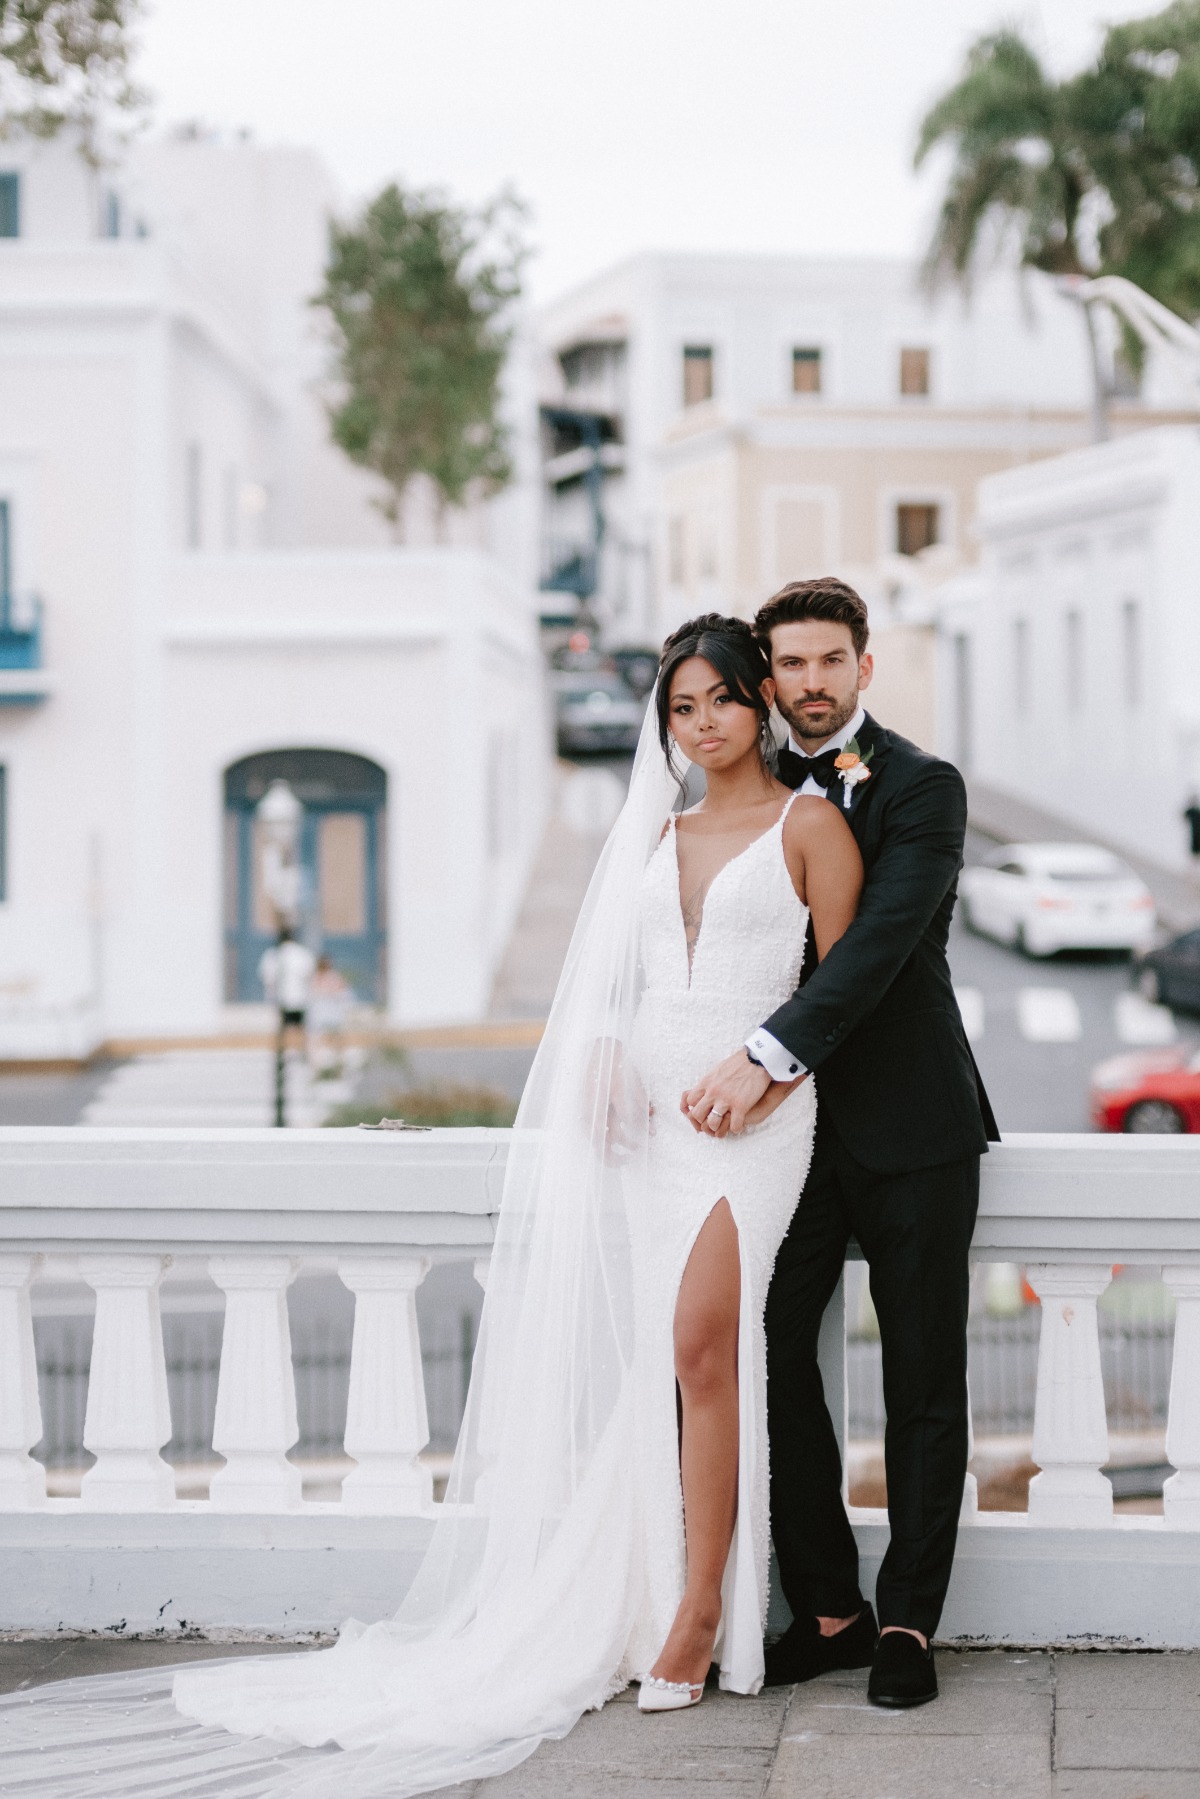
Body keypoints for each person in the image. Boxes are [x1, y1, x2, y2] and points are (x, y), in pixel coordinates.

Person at [0, 614, 863, 1795]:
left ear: (760, 698)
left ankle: (702, 1608)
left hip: (753, 1121)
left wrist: (766, 1076)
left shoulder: (810, 824)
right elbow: (617, 981)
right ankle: (664, 1583)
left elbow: (842, 995)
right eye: (680, 706)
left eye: (718, 698)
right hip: (653, 1114)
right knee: (669, 1361)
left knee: (704, 1342)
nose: (701, 722)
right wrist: (609, 1053)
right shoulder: (653, 834)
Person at [681, 576, 998, 1711]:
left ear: (865, 666)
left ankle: (910, 1616)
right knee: (755, 1348)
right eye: (791, 665)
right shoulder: (746, 793)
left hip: (912, 1124)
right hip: (791, 1142)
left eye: (831, 661)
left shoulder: (924, 788)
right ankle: (828, 1606)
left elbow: (873, 948)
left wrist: (765, 1055)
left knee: (923, 1374)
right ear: (768, 678)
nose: (810, 684)